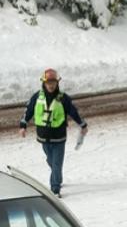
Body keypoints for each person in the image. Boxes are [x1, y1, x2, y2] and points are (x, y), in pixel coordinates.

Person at [18, 69, 87, 197]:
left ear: (57, 82)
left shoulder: (63, 98)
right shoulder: (37, 97)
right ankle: (58, 177)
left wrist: (82, 124)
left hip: (59, 137)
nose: (51, 85)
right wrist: (23, 125)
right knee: (51, 161)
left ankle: (55, 189)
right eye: (48, 82)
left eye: (53, 82)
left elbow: (73, 112)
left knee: (56, 163)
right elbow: (28, 111)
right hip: (43, 137)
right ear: (44, 83)